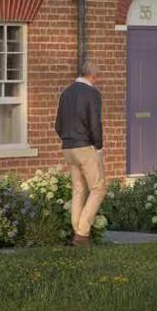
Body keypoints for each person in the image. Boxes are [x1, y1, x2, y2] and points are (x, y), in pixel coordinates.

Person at [54, 62, 106, 244]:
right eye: (96, 76)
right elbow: (95, 122)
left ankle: (77, 232)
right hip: (85, 147)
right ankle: (82, 233)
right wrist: (98, 146)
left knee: (79, 189)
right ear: (92, 76)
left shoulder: (66, 92)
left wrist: (68, 139)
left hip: (68, 147)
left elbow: (58, 125)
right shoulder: (92, 93)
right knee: (98, 188)